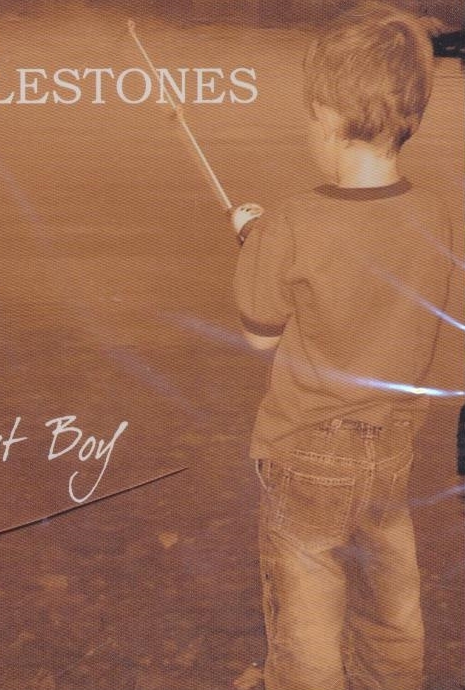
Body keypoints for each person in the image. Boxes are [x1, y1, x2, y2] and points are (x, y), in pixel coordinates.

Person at [230, 3, 454, 689]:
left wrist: (254, 242)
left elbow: (259, 333)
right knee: (389, 596)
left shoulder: (293, 222)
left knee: (306, 608)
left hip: (307, 451)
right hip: (392, 447)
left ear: (326, 117)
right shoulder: (434, 213)